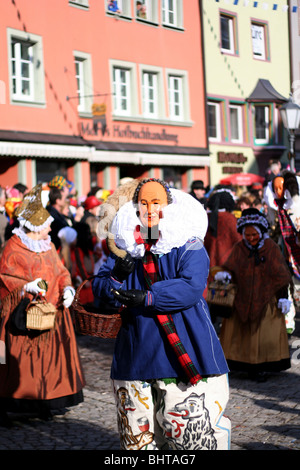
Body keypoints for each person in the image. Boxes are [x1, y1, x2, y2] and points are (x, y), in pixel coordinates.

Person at [93, 178, 230, 450]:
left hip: (186, 346)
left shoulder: (187, 242)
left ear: (169, 205)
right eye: (143, 203)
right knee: (137, 438)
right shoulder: (123, 245)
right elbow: (100, 289)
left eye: (156, 202)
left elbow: (191, 285)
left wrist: (149, 297)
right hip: (136, 351)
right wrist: (117, 276)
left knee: (190, 436)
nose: (150, 209)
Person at [0, 184, 85, 427]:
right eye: (46, 224)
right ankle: (11, 403)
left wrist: (67, 288)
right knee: (15, 362)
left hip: (50, 315)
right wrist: (26, 286)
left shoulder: (48, 246)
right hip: (22, 317)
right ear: (35, 227)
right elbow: (5, 277)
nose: (50, 228)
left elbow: (60, 271)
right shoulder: (12, 248)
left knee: (47, 363)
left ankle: (43, 402)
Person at [216, 208, 292, 381]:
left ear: (261, 232)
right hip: (241, 298)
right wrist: (225, 274)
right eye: (247, 235)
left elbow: (281, 275)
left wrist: (283, 297)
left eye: (254, 235)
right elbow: (230, 267)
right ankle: (240, 363)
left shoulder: (271, 248)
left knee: (263, 334)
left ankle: (262, 367)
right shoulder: (239, 248)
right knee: (240, 334)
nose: (251, 239)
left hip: (266, 300)